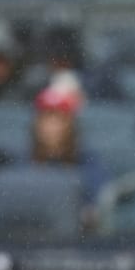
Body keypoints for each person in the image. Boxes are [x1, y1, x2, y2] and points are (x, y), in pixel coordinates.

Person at [29, 83, 107, 231]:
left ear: (71, 124)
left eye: (59, 119)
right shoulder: (23, 159)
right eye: (46, 118)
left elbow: (99, 203)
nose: (51, 126)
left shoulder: (88, 161)